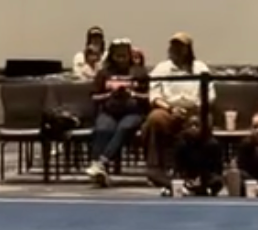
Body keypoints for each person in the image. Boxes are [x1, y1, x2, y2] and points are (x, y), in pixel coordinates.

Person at [144, 33, 212, 188]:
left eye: (180, 46)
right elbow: (154, 96)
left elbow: (210, 95)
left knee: (203, 121)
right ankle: (155, 169)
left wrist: (195, 108)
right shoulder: (161, 68)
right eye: (173, 46)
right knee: (155, 118)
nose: (176, 49)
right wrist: (171, 108)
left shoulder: (200, 68)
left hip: (194, 110)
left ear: (188, 49)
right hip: (169, 109)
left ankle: (198, 172)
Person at [86, 40, 148, 185]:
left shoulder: (139, 72)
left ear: (129, 55)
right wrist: (110, 95)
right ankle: (99, 169)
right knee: (103, 128)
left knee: (124, 128)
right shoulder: (104, 73)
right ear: (112, 55)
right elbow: (94, 96)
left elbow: (148, 96)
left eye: (124, 55)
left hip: (133, 112)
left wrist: (131, 94)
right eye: (118, 55)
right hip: (109, 111)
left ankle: (101, 163)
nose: (121, 58)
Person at [175, 111, 224, 196]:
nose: (193, 128)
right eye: (190, 125)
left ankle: (203, 189)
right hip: (187, 179)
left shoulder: (213, 144)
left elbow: (217, 170)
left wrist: (202, 179)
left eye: (197, 125)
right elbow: (178, 167)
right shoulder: (181, 144)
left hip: (206, 179)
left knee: (217, 181)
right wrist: (187, 179)